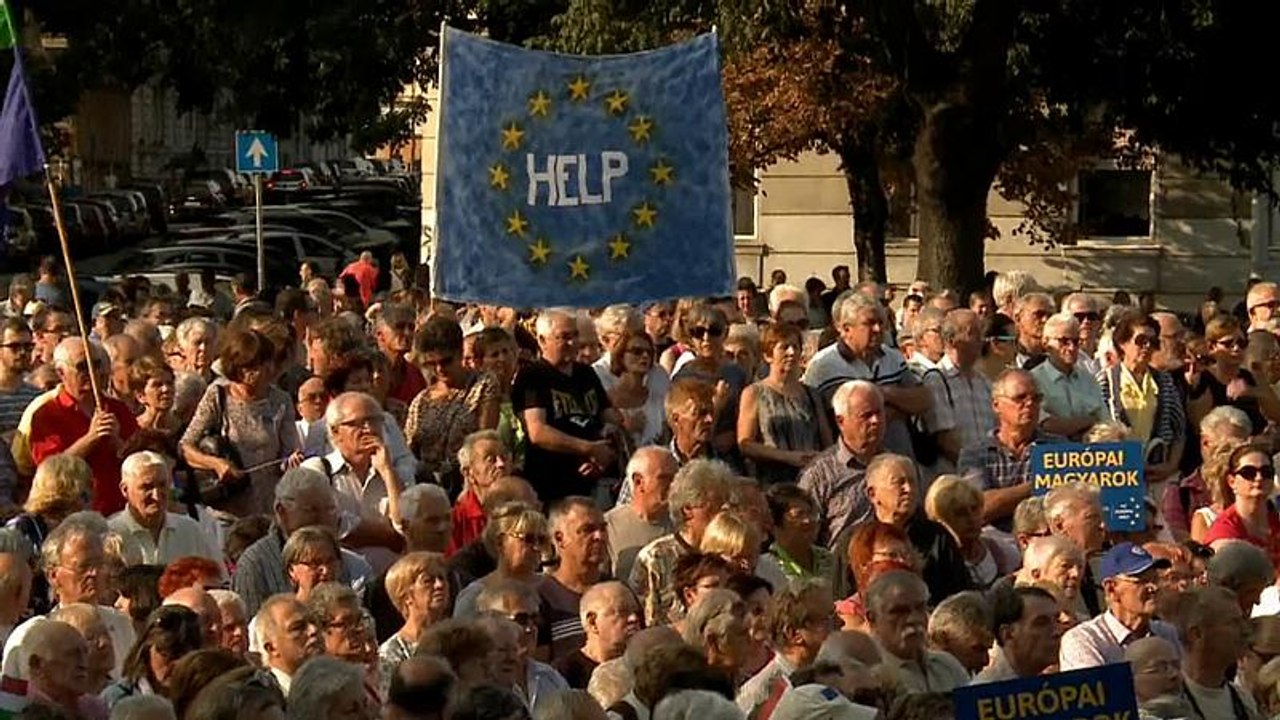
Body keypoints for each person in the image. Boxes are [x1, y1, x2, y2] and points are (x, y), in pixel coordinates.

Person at [180, 328, 300, 517]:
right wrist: (216, 464)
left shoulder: (281, 400)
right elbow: (186, 446)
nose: (258, 372)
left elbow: (287, 453)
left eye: (263, 363)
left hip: (267, 507)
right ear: (236, 368)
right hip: (226, 510)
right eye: (249, 367)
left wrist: (291, 461)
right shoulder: (218, 395)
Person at [232, 467, 373, 616]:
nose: (323, 520)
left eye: (329, 510)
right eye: (312, 510)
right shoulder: (254, 565)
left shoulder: (354, 566)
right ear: (282, 512)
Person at [803, 292, 929, 458]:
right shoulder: (824, 366)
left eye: (880, 323)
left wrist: (884, 393)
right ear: (846, 329)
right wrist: (897, 409)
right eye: (869, 323)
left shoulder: (892, 357)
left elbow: (922, 399)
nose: (878, 329)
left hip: (899, 459)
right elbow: (827, 419)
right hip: (852, 466)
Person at [513, 309, 619, 502]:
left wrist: (603, 450)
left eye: (575, 335)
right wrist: (588, 448)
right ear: (542, 340)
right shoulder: (532, 376)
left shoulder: (586, 373)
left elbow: (610, 417)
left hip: (594, 482)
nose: (573, 343)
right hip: (551, 483)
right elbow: (537, 432)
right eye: (564, 337)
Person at [29, 338, 139, 515]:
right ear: (61, 373)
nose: (92, 372)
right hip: (73, 515)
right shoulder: (47, 415)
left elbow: (139, 459)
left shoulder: (118, 409)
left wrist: (118, 443)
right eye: (82, 366)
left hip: (122, 512)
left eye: (96, 364)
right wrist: (91, 438)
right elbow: (51, 472)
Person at [629, 459, 733, 627]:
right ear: (688, 510)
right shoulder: (655, 558)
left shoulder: (730, 552)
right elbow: (647, 623)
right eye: (716, 505)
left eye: (727, 504)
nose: (724, 512)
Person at [301, 391, 405, 553]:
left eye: (374, 421)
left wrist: (388, 472)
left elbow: (406, 525)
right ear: (336, 431)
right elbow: (329, 524)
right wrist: (386, 536)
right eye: (359, 423)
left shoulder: (393, 471)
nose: (369, 429)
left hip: (388, 574)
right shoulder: (316, 471)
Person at [958, 368, 1061, 530]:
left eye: (1036, 398)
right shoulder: (975, 453)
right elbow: (978, 509)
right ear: (996, 405)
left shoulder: (1059, 448)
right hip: (995, 543)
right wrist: (1042, 484)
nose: (1030, 404)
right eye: (1020, 398)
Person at [405, 316, 500, 491]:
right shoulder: (420, 402)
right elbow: (409, 453)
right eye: (431, 364)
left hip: (469, 483)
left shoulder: (483, 384)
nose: (439, 369)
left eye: (446, 361)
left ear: (460, 352)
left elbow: (484, 439)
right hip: (428, 487)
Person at [1096, 311, 1187, 484]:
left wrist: (1170, 466)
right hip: (1118, 473)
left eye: (1152, 342)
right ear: (1123, 343)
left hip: (1157, 472)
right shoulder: (1105, 380)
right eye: (1140, 341)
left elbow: (1179, 430)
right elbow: (1096, 429)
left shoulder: (1164, 381)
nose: (1147, 346)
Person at [738, 323, 833, 485]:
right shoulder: (754, 393)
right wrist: (787, 456)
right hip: (774, 480)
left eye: (795, 347)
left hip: (813, 479)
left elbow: (827, 441)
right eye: (784, 347)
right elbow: (745, 443)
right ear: (768, 355)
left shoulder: (812, 395)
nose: (792, 352)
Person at [1058, 542, 1178, 670]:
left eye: (1155, 579)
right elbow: (1097, 688)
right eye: (1142, 581)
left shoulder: (1167, 633)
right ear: (1111, 588)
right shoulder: (1085, 640)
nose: (1153, 587)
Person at [798, 381, 887, 550]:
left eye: (879, 412)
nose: (875, 421)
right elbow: (803, 536)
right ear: (840, 421)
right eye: (866, 415)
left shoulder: (896, 464)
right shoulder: (819, 474)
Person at [736, 580, 833, 715]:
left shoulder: (833, 675)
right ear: (794, 634)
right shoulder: (764, 695)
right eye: (828, 618)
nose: (841, 622)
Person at [109, 452, 221, 567]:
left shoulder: (190, 531)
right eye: (147, 487)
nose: (156, 496)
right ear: (124, 490)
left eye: (162, 485)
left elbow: (220, 578)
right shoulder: (110, 536)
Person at [864, 570, 969, 693]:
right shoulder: (868, 678)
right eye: (899, 611)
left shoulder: (947, 666)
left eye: (920, 608)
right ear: (872, 619)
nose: (914, 618)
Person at [451, 502, 548, 618]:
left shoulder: (553, 589)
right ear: (500, 543)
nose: (537, 547)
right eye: (528, 539)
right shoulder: (474, 597)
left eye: (541, 540)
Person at [540, 497, 608, 661]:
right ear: (559, 539)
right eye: (587, 530)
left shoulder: (616, 591)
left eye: (603, 528)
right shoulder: (541, 596)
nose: (599, 536)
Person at [1177, 586, 1260, 719]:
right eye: (1233, 623)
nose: (1245, 631)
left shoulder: (1244, 702)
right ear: (1197, 634)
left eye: (1242, 621)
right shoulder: (1170, 703)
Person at [100, 605, 204, 709]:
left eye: (185, 656)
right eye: (166, 655)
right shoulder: (116, 700)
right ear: (146, 650)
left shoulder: (203, 701)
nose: (176, 664)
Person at [378, 552, 451, 692]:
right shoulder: (392, 653)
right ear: (406, 596)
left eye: (442, 578)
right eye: (428, 581)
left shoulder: (459, 638)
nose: (439, 585)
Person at [1203, 443, 1280, 566]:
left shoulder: (1276, 517)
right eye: (1248, 472)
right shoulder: (1224, 535)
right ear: (1232, 481)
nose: (1259, 478)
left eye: (1266, 472)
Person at [607, 446, 677, 582]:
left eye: (676, 478)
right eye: (665, 478)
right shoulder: (608, 528)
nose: (674, 485)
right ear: (639, 482)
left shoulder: (684, 526)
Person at [556, 581, 640, 689]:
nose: (634, 618)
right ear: (592, 622)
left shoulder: (644, 667)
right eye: (623, 612)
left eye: (635, 612)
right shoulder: (563, 675)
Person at [973, 585, 1062, 683]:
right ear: (1007, 634)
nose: (1057, 632)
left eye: (1057, 620)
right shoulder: (984, 693)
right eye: (1041, 623)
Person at [22, 619, 109, 720]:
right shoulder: (14, 708)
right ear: (37, 664)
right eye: (71, 655)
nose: (84, 663)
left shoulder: (94, 708)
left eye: (85, 652)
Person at [449, 430, 511, 554]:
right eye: (491, 459)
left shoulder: (524, 507)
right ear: (468, 472)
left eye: (504, 457)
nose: (501, 464)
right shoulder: (456, 520)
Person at [252, 594, 322, 697]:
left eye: (314, 622)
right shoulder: (263, 697)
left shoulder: (331, 685)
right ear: (271, 648)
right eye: (297, 628)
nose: (313, 630)